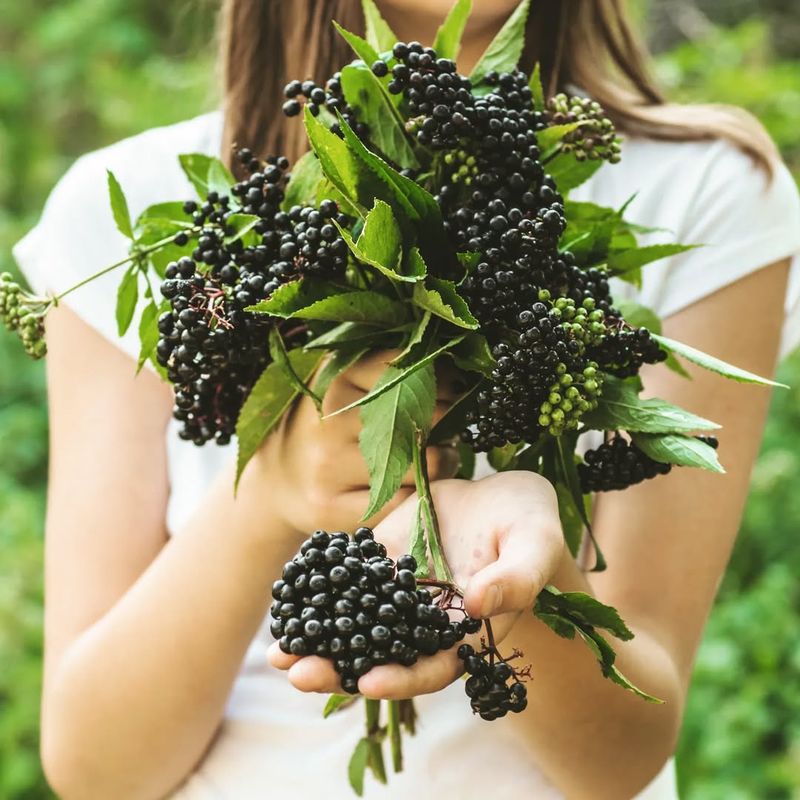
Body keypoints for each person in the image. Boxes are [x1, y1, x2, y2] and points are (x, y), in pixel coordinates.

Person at [12, 1, 800, 798]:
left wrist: (529, 571)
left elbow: (627, 752)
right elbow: (94, 769)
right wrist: (269, 497)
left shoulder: (709, 190)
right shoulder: (126, 215)